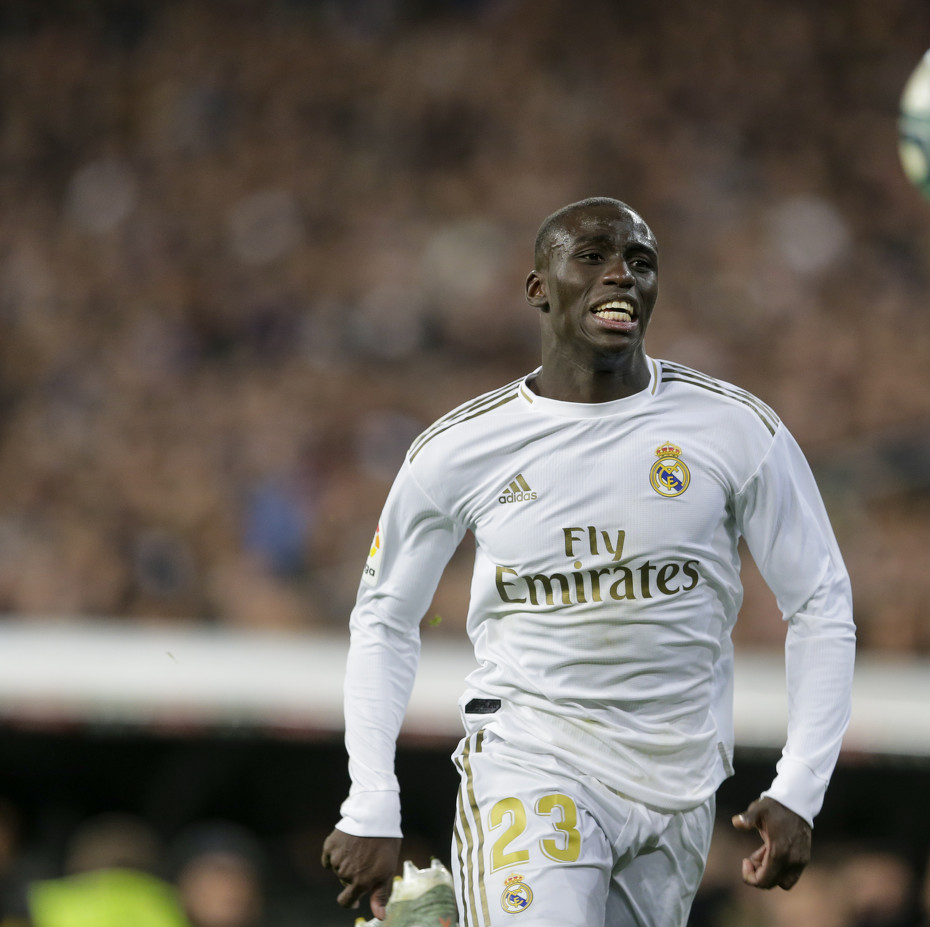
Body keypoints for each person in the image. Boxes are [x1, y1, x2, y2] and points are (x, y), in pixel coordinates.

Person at [321, 197, 857, 926]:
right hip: (530, 759)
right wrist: (371, 799)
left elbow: (821, 603)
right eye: (594, 256)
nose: (622, 275)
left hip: (679, 788)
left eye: (641, 262)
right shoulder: (459, 448)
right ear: (539, 287)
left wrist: (801, 785)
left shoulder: (736, 430)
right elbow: (384, 618)